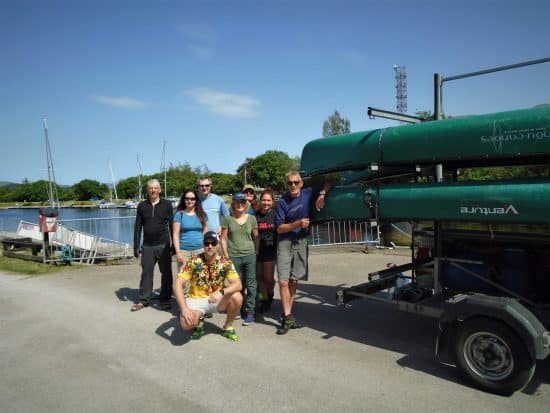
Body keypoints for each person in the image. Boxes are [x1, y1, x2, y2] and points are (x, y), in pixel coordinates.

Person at [275, 171, 330, 334]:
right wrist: (296, 224)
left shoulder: (308, 193)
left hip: (301, 241)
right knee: (283, 281)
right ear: (286, 185)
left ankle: (288, 315)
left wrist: (321, 195)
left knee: (294, 280)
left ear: (301, 183)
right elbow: (279, 228)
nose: (292, 185)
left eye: (295, 182)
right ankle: (287, 316)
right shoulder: (282, 202)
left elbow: (330, 181)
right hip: (285, 241)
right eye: (289, 183)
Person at [173, 231, 243, 341]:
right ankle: (199, 322)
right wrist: (184, 309)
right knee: (186, 324)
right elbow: (177, 283)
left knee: (237, 297)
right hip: (196, 300)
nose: (210, 246)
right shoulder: (194, 261)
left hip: (216, 300)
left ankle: (228, 327)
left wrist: (221, 293)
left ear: (218, 245)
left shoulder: (225, 262)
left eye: (213, 243)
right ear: (203, 244)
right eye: (207, 243)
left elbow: (238, 285)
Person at [132, 179, 174, 312]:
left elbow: (172, 225)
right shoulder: (142, 206)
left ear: (160, 190)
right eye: (151, 188)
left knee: (166, 274)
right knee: (146, 273)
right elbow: (138, 227)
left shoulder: (167, 205)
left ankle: (165, 299)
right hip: (148, 246)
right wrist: (136, 246)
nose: (153, 190)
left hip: (164, 244)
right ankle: (144, 299)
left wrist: (174, 244)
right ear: (148, 190)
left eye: (156, 188)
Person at [221, 192, 259, 326]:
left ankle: (250, 311)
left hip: (249, 255)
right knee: (236, 284)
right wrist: (225, 255)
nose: (240, 204)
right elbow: (223, 238)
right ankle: (236, 308)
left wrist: (257, 251)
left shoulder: (252, 218)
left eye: (243, 202)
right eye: (237, 202)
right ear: (233, 204)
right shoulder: (227, 219)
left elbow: (256, 236)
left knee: (251, 284)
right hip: (233, 256)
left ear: (246, 204)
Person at [172, 189, 208, 273]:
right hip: (184, 251)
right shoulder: (179, 215)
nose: (190, 201)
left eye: (192, 199)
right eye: (187, 198)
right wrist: (178, 252)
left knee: (200, 279)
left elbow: (205, 233)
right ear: (184, 200)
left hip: (200, 250)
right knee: (184, 281)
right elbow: (175, 235)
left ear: (196, 200)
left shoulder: (202, 214)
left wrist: (206, 249)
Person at [255, 188, 277, 313]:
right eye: (264, 200)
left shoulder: (275, 214)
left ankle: (271, 293)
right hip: (258, 249)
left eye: (269, 200)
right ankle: (265, 300)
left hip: (270, 249)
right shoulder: (256, 215)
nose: (266, 203)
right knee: (260, 277)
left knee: (268, 278)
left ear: (272, 202)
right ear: (260, 201)